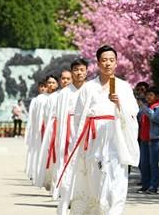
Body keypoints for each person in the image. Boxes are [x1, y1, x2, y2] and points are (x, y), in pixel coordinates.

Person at [58, 45, 140, 215]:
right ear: (98, 63)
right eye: (104, 60)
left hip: (116, 138)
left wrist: (119, 104)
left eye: (111, 60)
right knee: (94, 181)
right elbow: (79, 118)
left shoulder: (123, 86)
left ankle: (114, 211)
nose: (108, 64)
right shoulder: (88, 88)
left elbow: (133, 113)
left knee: (116, 178)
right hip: (93, 140)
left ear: (116, 63)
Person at [53, 58, 88, 208]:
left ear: (87, 71)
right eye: (76, 70)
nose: (79, 73)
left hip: (87, 132)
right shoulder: (65, 93)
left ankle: (85, 196)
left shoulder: (91, 89)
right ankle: (67, 195)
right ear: (71, 72)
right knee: (67, 164)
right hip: (69, 133)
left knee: (85, 165)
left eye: (82, 70)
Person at [137, 86, 159, 194]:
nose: (148, 97)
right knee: (143, 163)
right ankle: (145, 185)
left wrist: (144, 108)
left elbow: (156, 118)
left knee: (153, 164)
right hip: (144, 138)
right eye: (147, 95)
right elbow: (138, 118)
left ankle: (153, 186)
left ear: (157, 96)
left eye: (151, 95)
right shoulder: (146, 107)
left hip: (154, 139)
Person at [25, 81, 48, 180]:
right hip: (38, 128)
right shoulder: (35, 100)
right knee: (36, 150)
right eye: (41, 86)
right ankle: (34, 172)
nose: (43, 89)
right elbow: (31, 116)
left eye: (45, 86)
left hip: (47, 127)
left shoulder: (51, 98)